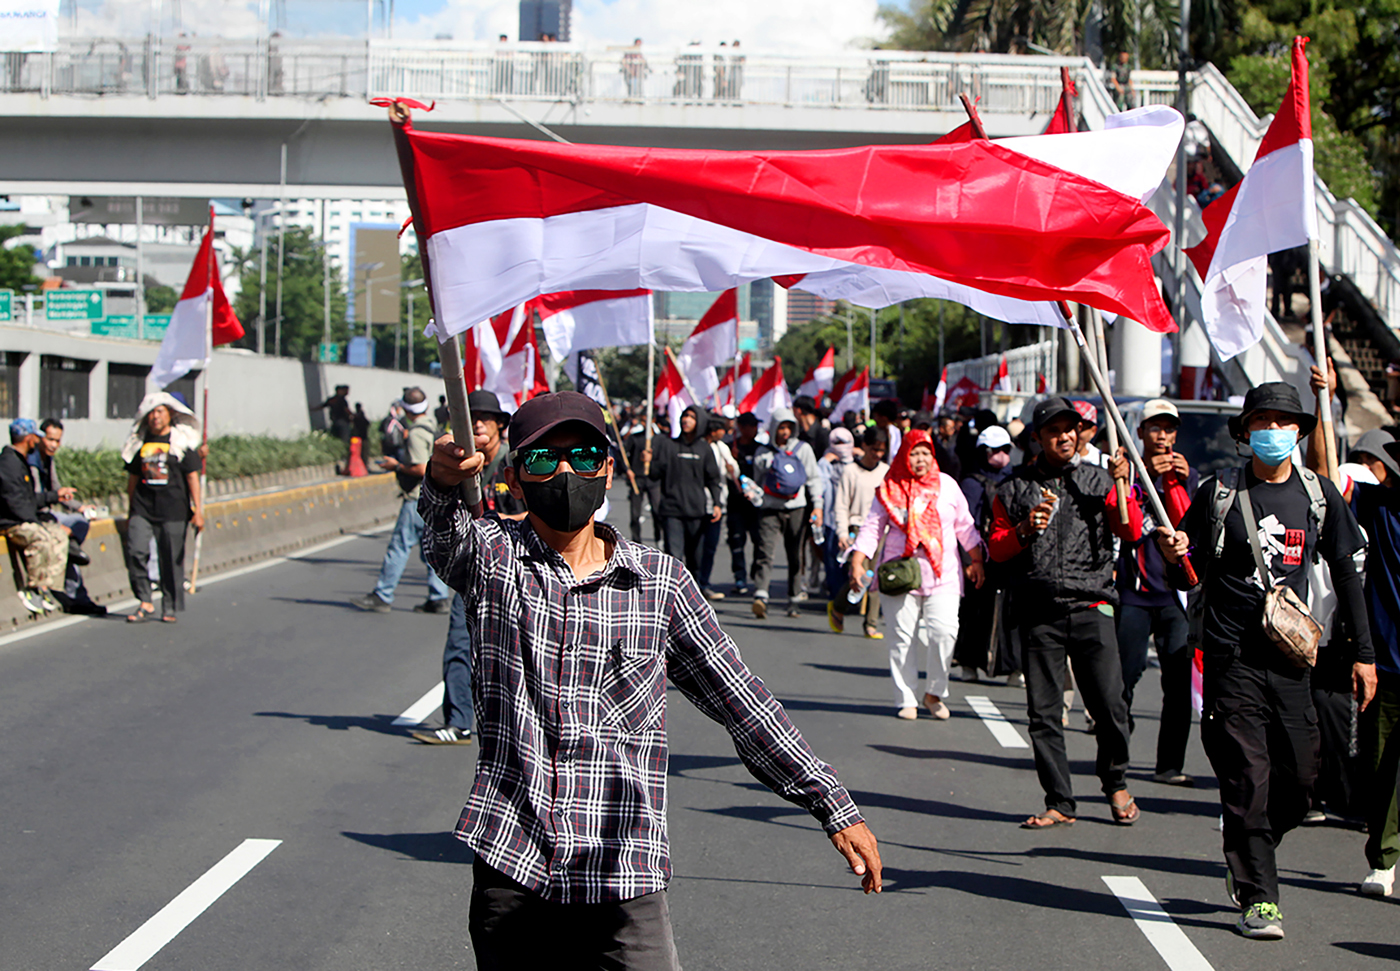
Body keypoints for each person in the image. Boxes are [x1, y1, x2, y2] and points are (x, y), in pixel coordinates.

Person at [419, 391, 881, 967]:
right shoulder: (492, 561)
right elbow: (444, 536)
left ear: (607, 470)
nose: (565, 472)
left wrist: (832, 804)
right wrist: (442, 482)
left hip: (624, 870)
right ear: (514, 477)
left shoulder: (659, 583)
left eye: (583, 456)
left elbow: (741, 700)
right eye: (542, 459)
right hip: (515, 864)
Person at [1156, 381, 1375, 939]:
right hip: (1232, 659)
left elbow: (1348, 574)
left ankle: (1251, 846)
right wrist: (1173, 552)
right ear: (1245, 432)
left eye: (1283, 422)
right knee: (1248, 778)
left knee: (1300, 784)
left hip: (1294, 660)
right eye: (1262, 422)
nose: (1272, 431)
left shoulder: (1320, 496)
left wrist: (1364, 654)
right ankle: (1260, 897)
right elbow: (1186, 568)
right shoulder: (1218, 493)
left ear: (1299, 432)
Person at [988, 396, 1143, 829]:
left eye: (1070, 429)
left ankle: (1115, 782)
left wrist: (1123, 487)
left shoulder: (1099, 479)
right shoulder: (1012, 488)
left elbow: (1130, 530)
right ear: (1037, 438)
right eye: (1054, 431)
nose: (1065, 437)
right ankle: (1059, 801)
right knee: (1044, 714)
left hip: (1093, 604)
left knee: (1111, 706)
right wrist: (1025, 529)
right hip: (1039, 611)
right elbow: (997, 549)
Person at [412, 392, 523, 746]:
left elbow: (536, 516)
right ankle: (458, 721)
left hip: (516, 575)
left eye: (485, 418)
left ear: (500, 425)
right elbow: (436, 511)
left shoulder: (515, 464)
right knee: (459, 644)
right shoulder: (456, 465)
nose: (477, 424)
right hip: (473, 574)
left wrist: (498, 521)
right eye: (470, 417)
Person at [851, 429, 984, 720]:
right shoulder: (890, 487)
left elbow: (965, 525)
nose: (920, 459)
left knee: (945, 632)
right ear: (903, 455)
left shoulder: (947, 486)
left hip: (943, 573)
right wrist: (858, 560)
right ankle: (906, 698)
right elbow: (873, 527)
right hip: (900, 575)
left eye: (925, 453)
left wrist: (976, 559)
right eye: (914, 453)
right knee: (900, 638)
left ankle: (934, 693)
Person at [1115, 400, 1198, 786]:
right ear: (1141, 432)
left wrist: (1182, 482)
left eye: (1169, 429)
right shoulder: (1127, 473)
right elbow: (1125, 523)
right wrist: (1146, 476)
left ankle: (1170, 765)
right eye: (1155, 428)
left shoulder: (1188, 476)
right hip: (1135, 592)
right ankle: (1116, 753)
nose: (1162, 436)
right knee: (1125, 677)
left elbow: (1192, 529)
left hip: (1174, 596)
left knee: (1178, 683)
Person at [352, 388, 451, 614]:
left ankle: (382, 594)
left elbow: (422, 468)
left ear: (405, 409)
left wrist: (396, 466)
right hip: (434, 498)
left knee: (398, 547)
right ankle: (438, 597)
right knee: (431, 551)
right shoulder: (434, 428)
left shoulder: (416, 433)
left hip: (417, 499)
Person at [121, 394, 204, 623]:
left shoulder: (181, 443)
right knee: (136, 552)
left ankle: (169, 605)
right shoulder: (139, 443)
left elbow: (192, 477)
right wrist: (130, 510)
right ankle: (145, 600)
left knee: (170, 559)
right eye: (152, 413)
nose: (155, 417)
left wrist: (197, 510)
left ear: (170, 414)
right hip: (142, 508)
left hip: (173, 509)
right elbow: (132, 479)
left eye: (160, 411)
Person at [954, 425, 1014, 680]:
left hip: (1009, 553)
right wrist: (969, 559)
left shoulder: (1015, 479)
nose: (1002, 455)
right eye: (995, 450)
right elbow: (965, 525)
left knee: (1010, 612)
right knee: (974, 610)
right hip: (979, 555)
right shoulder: (970, 483)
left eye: (1006, 449)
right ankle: (969, 663)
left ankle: (1012, 667)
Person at [750, 407, 823, 619]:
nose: (785, 432)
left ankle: (794, 597)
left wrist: (817, 505)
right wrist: (755, 496)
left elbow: (813, 479)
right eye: (781, 427)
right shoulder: (763, 452)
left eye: (789, 428)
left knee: (795, 554)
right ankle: (761, 595)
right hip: (769, 508)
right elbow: (757, 481)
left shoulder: (803, 449)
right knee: (765, 551)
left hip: (796, 508)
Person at [28, 418, 103, 614]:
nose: (54, 445)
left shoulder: (48, 459)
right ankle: (76, 594)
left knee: (79, 523)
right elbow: (35, 499)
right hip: (37, 518)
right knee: (65, 539)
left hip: (49, 514)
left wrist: (80, 507)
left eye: (57, 441)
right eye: (50, 439)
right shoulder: (32, 461)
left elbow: (57, 490)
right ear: (40, 438)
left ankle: (71, 548)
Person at [643, 405, 722, 581]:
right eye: (685, 416)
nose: (687, 420)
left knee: (696, 560)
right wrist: (649, 462)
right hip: (672, 511)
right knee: (674, 558)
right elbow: (655, 474)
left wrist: (717, 504)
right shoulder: (669, 446)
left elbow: (713, 480)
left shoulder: (705, 449)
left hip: (697, 512)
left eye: (692, 417)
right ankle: (673, 593)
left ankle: (694, 591)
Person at [2, 419, 72, 614]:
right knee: (41, 537)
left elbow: (30, 498)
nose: (38, 441)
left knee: (58, 535)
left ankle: (49, 588)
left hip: (24, 518)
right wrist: (35, 522)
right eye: (35, 437)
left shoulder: (21, 460)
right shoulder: (8, 464)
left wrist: (54, 497)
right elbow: (15, 502)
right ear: (28, 438)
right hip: (11, 522)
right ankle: (33, 588)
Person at [831, 425, 888, 638]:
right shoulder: (851, 471)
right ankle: (838, 606)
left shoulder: (886, 472)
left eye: (881, 450)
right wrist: (842, 532)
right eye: (874, 449)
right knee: (859, 575)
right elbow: (841, 504)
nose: (877, 454)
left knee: (877, 577)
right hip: (858, 528)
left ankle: (871, 623)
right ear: (864, 446)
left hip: (882, 531)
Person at [698, 412, 738, 600]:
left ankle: (704, 582)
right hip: (697, 502)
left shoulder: (722, 448)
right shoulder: (699, 446)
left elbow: (733, 470)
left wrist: (731, 468)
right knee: (696, 547)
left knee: (710, 546)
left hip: (717, 503)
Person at [816, 426, 855, 604]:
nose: (840, 447)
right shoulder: (827, 463)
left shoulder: (856, 463)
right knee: (832, 560)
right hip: (831, 518)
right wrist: (825, 462)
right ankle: (836, 597)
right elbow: (819, 485)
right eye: (836, 443)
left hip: (853, 518)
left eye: (843, 443)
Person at [727, 411, 763, 594]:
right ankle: (739, 576)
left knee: (759, 540)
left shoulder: (761, 449)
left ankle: (757, 573)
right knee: (736, 541)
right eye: (751, 426)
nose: (754, 429)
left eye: (756, 426)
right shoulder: (730, 448)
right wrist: (731, 462)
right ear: (741, 428)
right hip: (736, 504)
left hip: (757, 505)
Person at [624, 412, 662, 543]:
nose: (645, 424)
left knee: (657, 511)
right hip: (637, 478)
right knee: (635, 514)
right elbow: (624, 454)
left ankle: (659, 536)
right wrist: (627, 470)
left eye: (647, 420)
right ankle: (636, 540)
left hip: (653, 479)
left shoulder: (660, 440)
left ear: (653, 420)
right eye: (643, 421)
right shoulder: (635, 438)